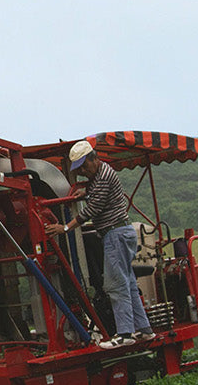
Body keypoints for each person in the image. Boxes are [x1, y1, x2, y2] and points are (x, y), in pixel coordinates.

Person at [44, 140, 155, 349]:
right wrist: (85, 192)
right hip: (122, 232)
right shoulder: (102, 174)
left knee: (116, 285)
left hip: (115, 234)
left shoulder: (102, 177)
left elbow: (90, 211)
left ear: (94, 158)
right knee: (129, 283)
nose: (84, 172)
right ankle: (144, 328)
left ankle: (124, 333)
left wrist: (65, 228)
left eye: (85, 166)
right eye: (81, 169)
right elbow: (97, 194)